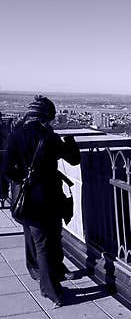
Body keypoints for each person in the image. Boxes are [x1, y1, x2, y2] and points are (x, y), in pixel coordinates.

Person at [4, 95, 80, 306]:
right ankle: (52, 290)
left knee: (38, 240)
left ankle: (41, 274)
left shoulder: (16, 135)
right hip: (51, 197)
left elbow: (7, 169)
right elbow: (74, 159)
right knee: (50, 241)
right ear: (46, 116)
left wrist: (24, 180)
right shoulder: (50, 137)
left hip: (27, 199)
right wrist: (71, 142)